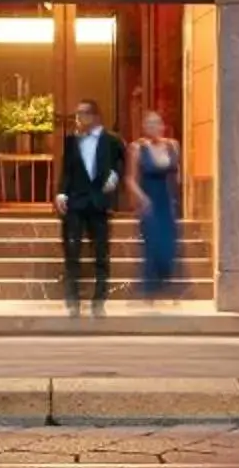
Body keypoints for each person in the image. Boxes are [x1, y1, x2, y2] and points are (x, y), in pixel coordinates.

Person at [56, 98, 125, 316]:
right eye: (77, 114)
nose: (78, 118)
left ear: (95, 116)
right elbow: (66, 170)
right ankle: (73, 302)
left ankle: (99, 301)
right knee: (72, 253)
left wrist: (115, 176)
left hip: (99, 204)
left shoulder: (112, 141)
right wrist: (61, 192)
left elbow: (122, 163)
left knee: (101, 255)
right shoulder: (71, 141)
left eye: (83, 113)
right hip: (75, 204)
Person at [129, 110, 181, 300]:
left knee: (168, 246)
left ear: (162, 125)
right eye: (149, 124)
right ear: (144, 127)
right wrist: (142, 198)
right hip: (149, 204)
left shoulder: (173, 145)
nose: (153, 127)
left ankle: (162, 284)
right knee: (153, 245)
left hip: (167, 202)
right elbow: (130, 179)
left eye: (156, 123)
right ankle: (149, 292)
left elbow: (177, 173)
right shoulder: (137, 148)